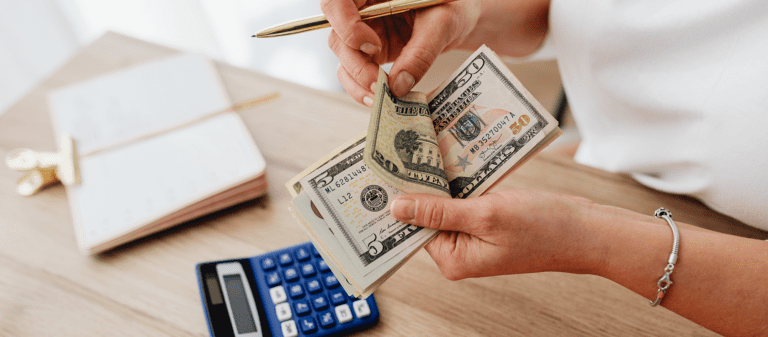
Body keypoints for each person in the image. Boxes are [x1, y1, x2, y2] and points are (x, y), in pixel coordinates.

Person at [320, 0, 768, 335]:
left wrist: (591, 240)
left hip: (711, 278)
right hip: (607, 175)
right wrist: (466, 12)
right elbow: (568, 13)